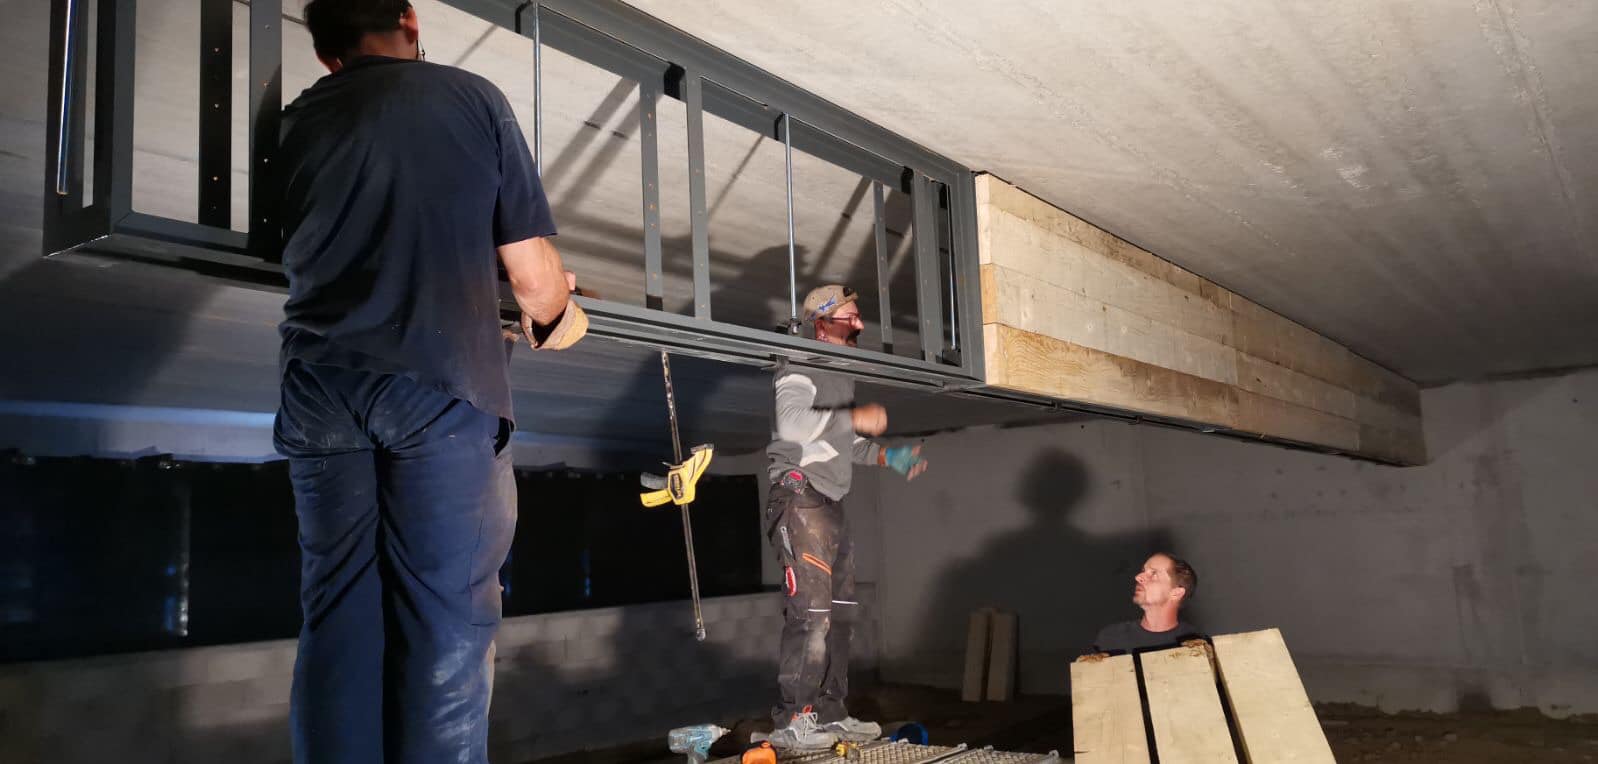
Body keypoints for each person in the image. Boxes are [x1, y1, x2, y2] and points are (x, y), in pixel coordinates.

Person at [273, 2, 585, 761]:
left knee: (337, 616)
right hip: (436, 384)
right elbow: (532, 280)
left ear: (326, 55)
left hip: (317, 387)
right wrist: (558, 309)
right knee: (446, 618)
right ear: (409, 20)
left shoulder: (298, 119)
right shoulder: (468, 96)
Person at [763, 285, 929, 750]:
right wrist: (854, 418)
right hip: (800, 498)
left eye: (858, 317)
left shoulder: (840, 373)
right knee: (812, 614)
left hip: (829, 503)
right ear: (821, 323)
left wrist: (887, 456)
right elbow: (793, 422)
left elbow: (841, 440)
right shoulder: (800, 361)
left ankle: (831, 713)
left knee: (840, 616)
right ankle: (795, 720)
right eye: (849, 318)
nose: (859, 324)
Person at [1079, 553, 1202, 660]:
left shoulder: (1198, 646)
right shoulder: (1110, 638)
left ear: (1176, 593)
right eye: (1143, 571)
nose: (1138, 577)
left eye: (1153, 573)